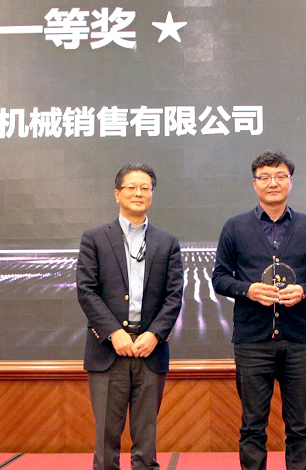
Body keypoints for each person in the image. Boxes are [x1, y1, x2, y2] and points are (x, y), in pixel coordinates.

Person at [212, 150, 306, 470]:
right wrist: (248, 290)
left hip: (298, 340)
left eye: (280, 176)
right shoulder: (235, 227)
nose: (273, 183)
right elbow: (219, 278)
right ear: (254, 184)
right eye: (264, 177)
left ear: (291, 182)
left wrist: (305, 291)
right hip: (252, 341)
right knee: (252, 425)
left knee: (300, 426)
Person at [76, 163, 183, 470]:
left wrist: (154, 334)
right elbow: (86, 290)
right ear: (117, 194)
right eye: (131, 187)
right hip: (108, 351)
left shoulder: (167, 241)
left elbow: (174, 295)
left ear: (152, 194)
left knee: (146, 442)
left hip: (151, 350)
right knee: (106, 441)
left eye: (145, 188)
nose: (138, 193)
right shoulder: (95, 238)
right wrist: (114, 332)